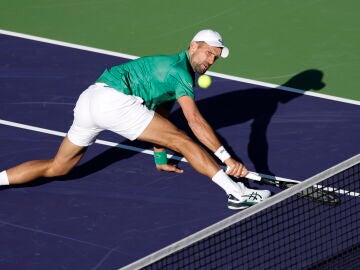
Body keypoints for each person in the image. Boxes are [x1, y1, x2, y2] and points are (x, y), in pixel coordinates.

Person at [0, 29, 270, 210]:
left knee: (59, 167)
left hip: (90, 99)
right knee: (186, 141)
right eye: (208, 52)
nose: (211, 60)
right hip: (114, 102)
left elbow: (160, 114)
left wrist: (160, 157)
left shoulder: (165, 69)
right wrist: (226, 158)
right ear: (193, 46)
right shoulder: (181, 74)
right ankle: (237, 193)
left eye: (215, 56)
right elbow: (194, 121)